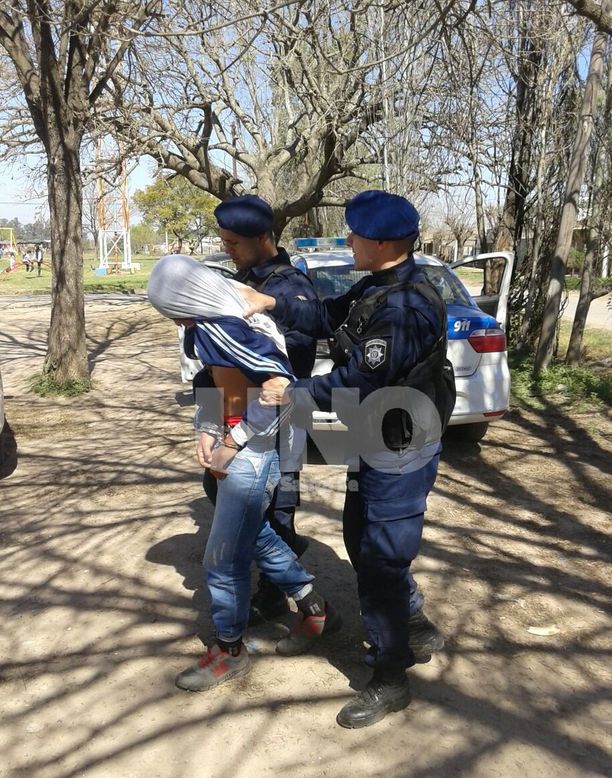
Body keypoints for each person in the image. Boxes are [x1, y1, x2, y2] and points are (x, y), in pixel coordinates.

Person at [241, 190, 453, 729]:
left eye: (355, 234)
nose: (349, 240)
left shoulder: (404, 307)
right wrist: (270, 303)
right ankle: (415, 622)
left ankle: (390, 677)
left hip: (399, 443)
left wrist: (293, 392)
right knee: (363, 537)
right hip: (378, 433)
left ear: (382, 242)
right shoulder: (379, 287)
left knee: (379, 553)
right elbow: (328, 314)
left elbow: (360, 379)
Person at [147, 255, 340, 692]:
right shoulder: (207, 320)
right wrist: (208, 427)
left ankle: (230, 650)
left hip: (258, 446)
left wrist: (231, 445)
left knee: (224, 557)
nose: (169, 317)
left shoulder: (225, 326)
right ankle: (315, 608)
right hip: (240, 439)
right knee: (253, 535)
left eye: (166, 307)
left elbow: (279, 393)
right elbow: (217, 383)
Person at [203, 194, 318, 626]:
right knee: (222, 493)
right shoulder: (239, 281)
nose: (227, 249)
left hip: (277, 423)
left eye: (234, 242)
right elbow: (214, 360)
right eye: (225, 241)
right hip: (239, 418)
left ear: (264, 238)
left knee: (276, 508)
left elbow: (295, 367)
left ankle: (276, 595)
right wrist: (212, 418)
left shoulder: (290, 288)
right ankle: (280, 575)